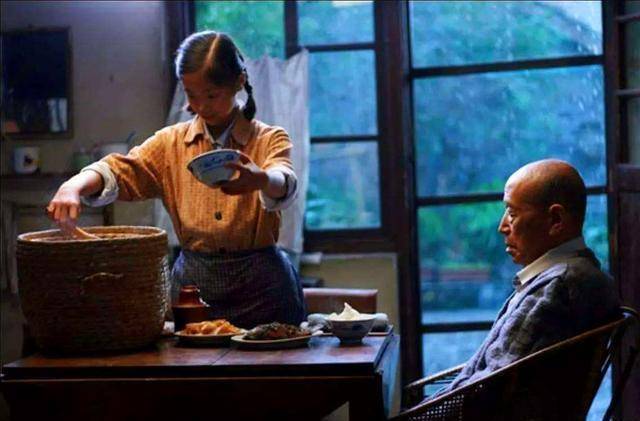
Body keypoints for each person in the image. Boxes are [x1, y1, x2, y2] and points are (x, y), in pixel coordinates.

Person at [46, 31, 305, 329]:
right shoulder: (170, 144)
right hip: (194, 290)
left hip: (264, 290)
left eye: (211, 95)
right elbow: (122, 169)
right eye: (191, 95)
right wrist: (73, 186)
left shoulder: (269, 138)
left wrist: (262, 180)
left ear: (238, 82)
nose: (202, 106)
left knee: (271, 356)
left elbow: (284, 178)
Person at [436, 159, 619, 395]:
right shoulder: (580, 274)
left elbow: (488, 390)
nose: (502, 226)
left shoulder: (557, 287)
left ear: (556, 220)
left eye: (512, 213)